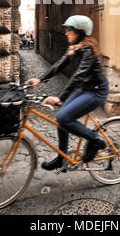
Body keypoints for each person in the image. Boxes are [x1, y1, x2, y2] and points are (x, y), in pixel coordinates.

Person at [25, 15, 109, 170]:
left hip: (97, 91)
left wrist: (60, 97)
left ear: (80, 32)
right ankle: (61, 157)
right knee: (61, 118)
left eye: (69, 30)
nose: (66, 33)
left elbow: (78, 75)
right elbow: (59, 65)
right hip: (86, 88)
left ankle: (95, 139)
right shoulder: (75, 48)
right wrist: (40, 79)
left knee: (64, 117)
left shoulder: (88, 50)